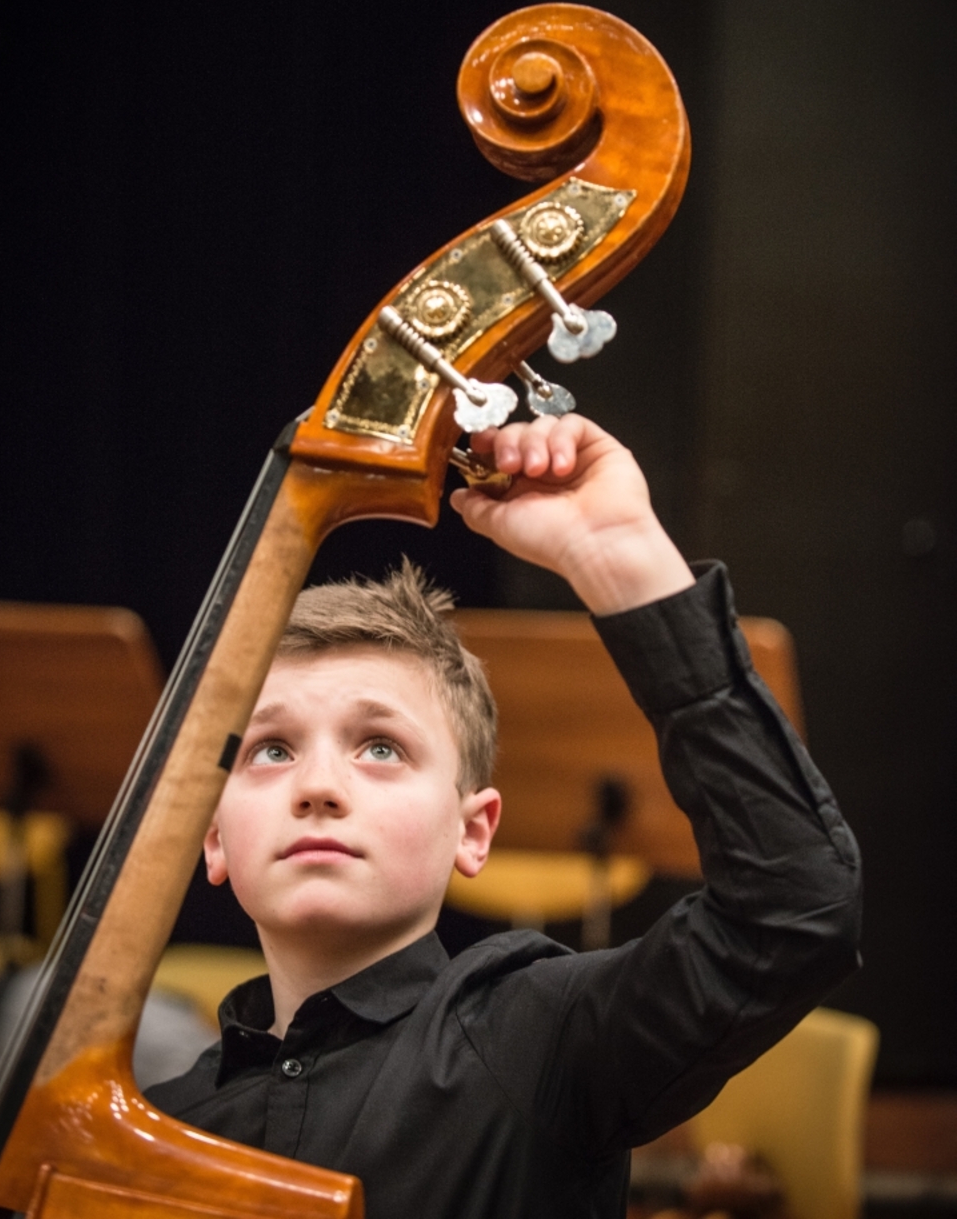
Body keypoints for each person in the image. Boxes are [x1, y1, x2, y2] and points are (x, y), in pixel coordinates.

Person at [147, 414, 862, 1219]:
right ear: (210, 835)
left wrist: (623, 560)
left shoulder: (537, 1037)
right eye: (272, 750)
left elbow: (793, 912)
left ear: (473, 829)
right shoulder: (148, 1126)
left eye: (380, 747)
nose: (318, 784)